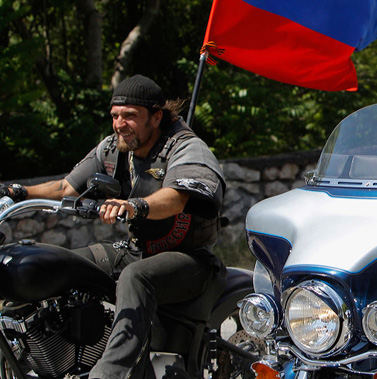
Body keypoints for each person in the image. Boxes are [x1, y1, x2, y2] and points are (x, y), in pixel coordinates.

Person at [0, 74, 226, 379]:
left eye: (130, 116)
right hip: (136, 251)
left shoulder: (185, 147)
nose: (120, 124)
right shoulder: (114, 149)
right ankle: (42, 360)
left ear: (156, 116)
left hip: (190, 260)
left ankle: (109, 374)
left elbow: (177, 198)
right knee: (63, 267)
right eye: (115, 116)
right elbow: (67, 186)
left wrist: (134, 205)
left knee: (135, 277)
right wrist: (17, 192)